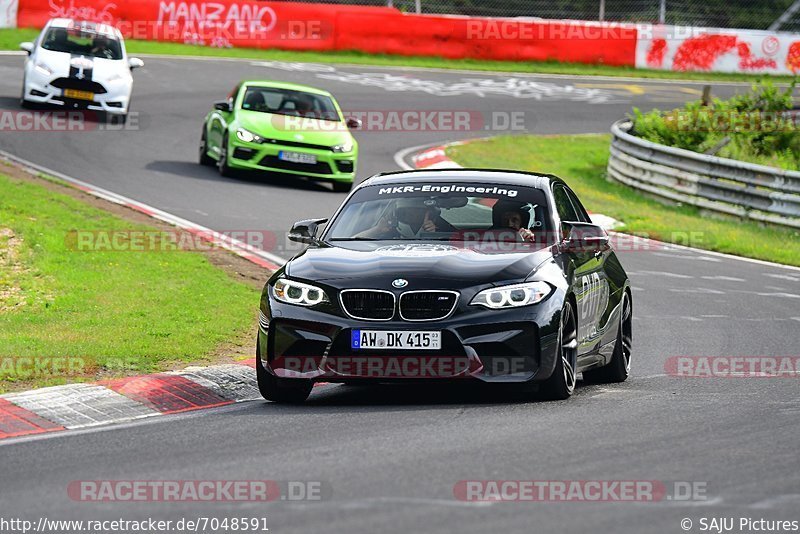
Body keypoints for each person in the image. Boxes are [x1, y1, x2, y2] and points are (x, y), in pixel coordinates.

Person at [356, 198, 453, 239]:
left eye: (417, 212)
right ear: (396, 214)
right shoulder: (389, 231)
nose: (412, 216)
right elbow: (353, 242)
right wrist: (377, 230)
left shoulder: (442, 229)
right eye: (405, 213)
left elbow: (464, 244)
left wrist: (434, 235)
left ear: (428, 214)